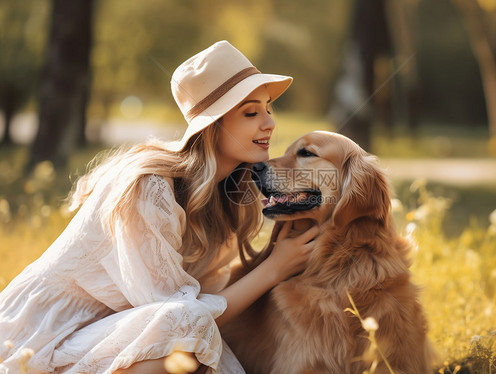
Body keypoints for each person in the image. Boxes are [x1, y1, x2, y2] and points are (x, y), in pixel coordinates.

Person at [0, 40, 319, 374]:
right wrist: (274, 269)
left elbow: (205, 301)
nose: (269, 123)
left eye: (268, 108)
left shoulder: (228, 194)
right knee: (188, 329)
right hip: (42, 342)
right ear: (213, 125)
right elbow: (180, 318)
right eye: (251, 113)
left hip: (112, 335)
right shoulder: (150, 187)